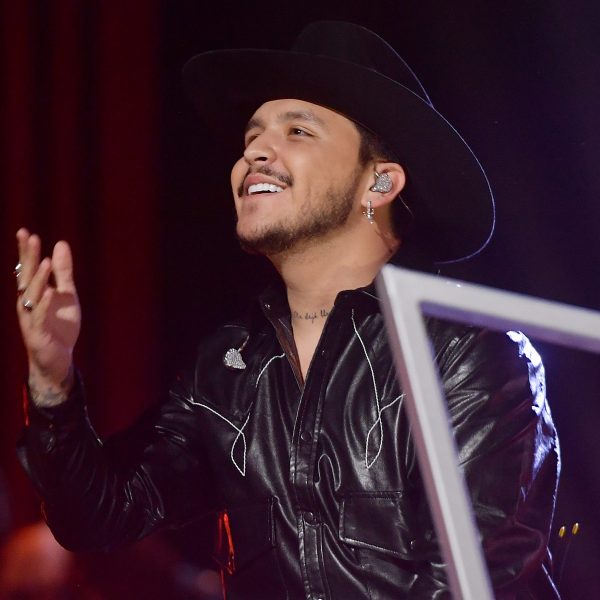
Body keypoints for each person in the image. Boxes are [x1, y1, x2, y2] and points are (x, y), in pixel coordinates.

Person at [14, 21, 560, 599]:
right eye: (252, 137)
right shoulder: (228, 365)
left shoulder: (466, 349)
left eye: (297, 131)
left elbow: (471, 582)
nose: (254, 152)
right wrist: (52, 383)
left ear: (379, 183)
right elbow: (101, 515)